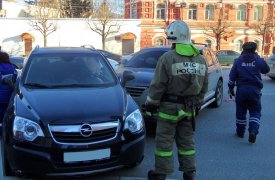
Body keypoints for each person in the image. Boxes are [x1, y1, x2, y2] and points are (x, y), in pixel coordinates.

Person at [145, 20, 208, 180]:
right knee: (187, 142)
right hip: (189, 109)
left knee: (164, 142)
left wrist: (151, 104)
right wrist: (198, 103)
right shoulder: (200, 59)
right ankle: (189, 173)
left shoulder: (167, 58)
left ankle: (160, 174)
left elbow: (158, 85)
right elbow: (204, 86)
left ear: (171, 38)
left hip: (168, 109)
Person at [228, 42, 270, 143]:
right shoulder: (258, 59)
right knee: (255, 111)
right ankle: (253, 131)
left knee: (241, 111)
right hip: (254, 90)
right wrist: (259, 60)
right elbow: (266, 70)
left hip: (241, 90)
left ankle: (240, 132)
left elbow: (231, 77)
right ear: (255, 49)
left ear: (243, 49)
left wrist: (231, 89)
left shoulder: (238, 61)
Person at [0, 51, 17, 135]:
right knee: (7, 115)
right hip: (9, 96)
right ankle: (6, 131)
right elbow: (15, 79)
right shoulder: (12, 68)